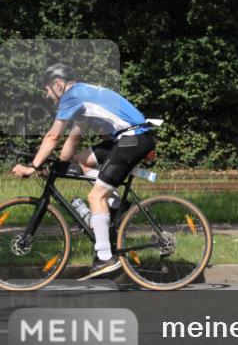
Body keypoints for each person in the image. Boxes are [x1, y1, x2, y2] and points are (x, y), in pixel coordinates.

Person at [11, 64, 157, 279]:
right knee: (82, 161)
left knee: (95, 196)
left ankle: (105, 258)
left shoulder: (71, 96)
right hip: (129, 138)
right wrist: (55, 166)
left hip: (131, 140)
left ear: (58, 84)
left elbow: (53, 137)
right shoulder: (82, 94)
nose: (47, 95)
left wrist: (32, 166)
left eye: (47, 89)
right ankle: (116, 205)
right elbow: (73, 139)